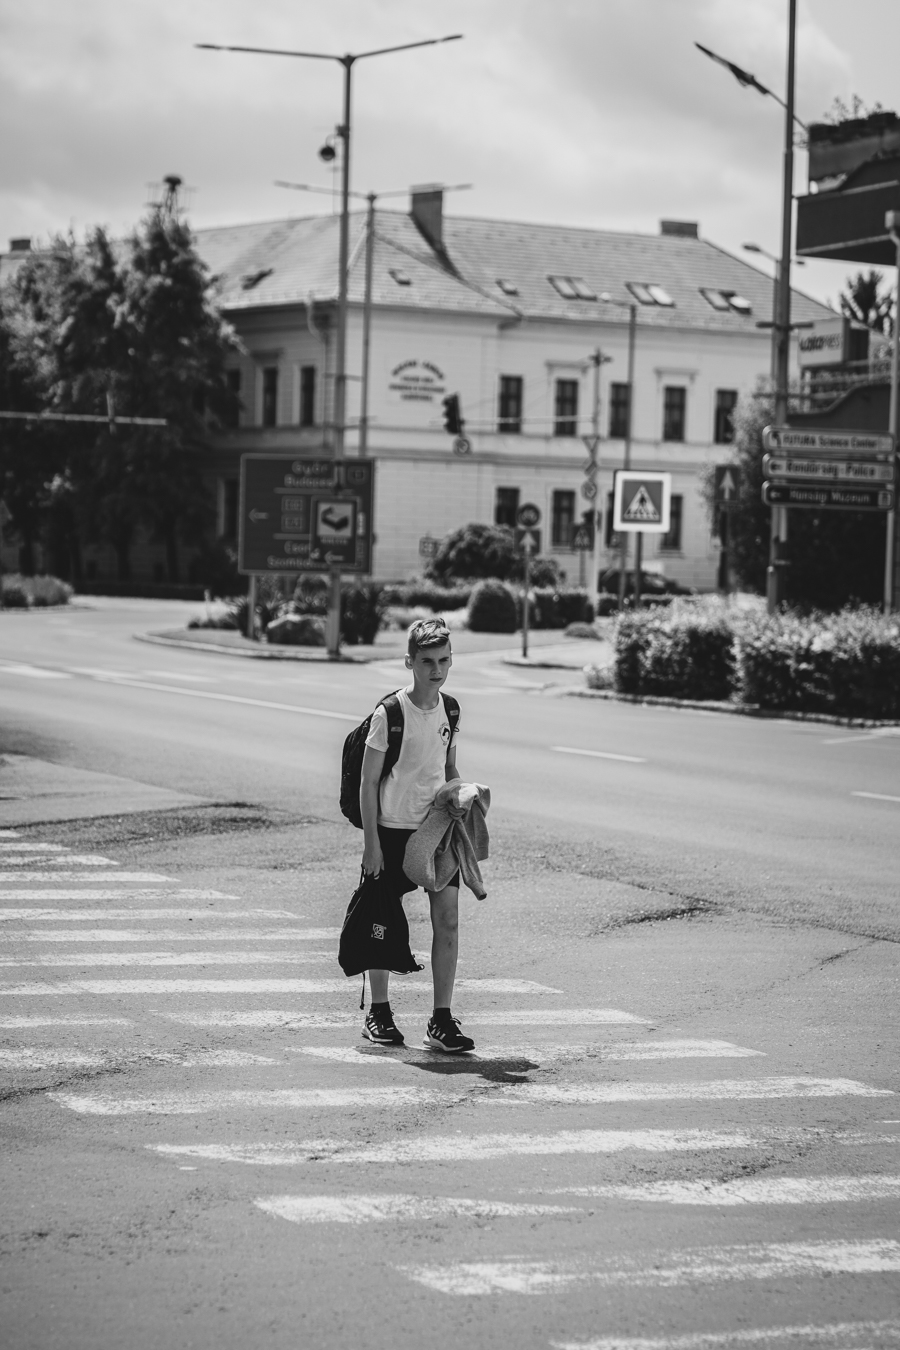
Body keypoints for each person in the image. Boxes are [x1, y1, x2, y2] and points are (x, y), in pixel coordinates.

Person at [359, 617, 475, 1053]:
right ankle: (380, 1013)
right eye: (427, 661)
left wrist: (461, 794)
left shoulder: (452, 710)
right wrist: (371, 843)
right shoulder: (388, 714)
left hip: (435, 831)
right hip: (389, 831)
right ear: (409, 661)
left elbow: (447, 767)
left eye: (444, 660)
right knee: (380, 923)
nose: (437, 670)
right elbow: (368, 783)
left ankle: (441, 1021)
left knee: (448, 918)